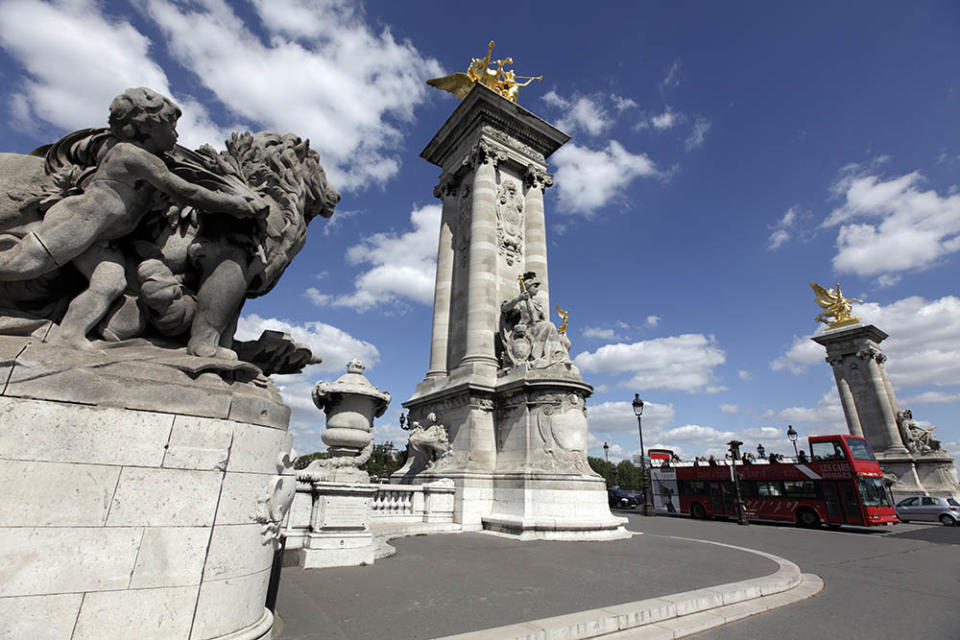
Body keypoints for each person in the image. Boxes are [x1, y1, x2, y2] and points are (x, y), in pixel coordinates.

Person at [0, 87, 265, 349]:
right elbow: (184, 190)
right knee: (23, 263)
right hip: (80, 221)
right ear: (145, 128)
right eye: (171, 127)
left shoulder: (139, 155)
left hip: (104, 239)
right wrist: (233, 203)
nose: (177, 134)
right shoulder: (131, 154)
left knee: (110, 283)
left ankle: (69, 335)